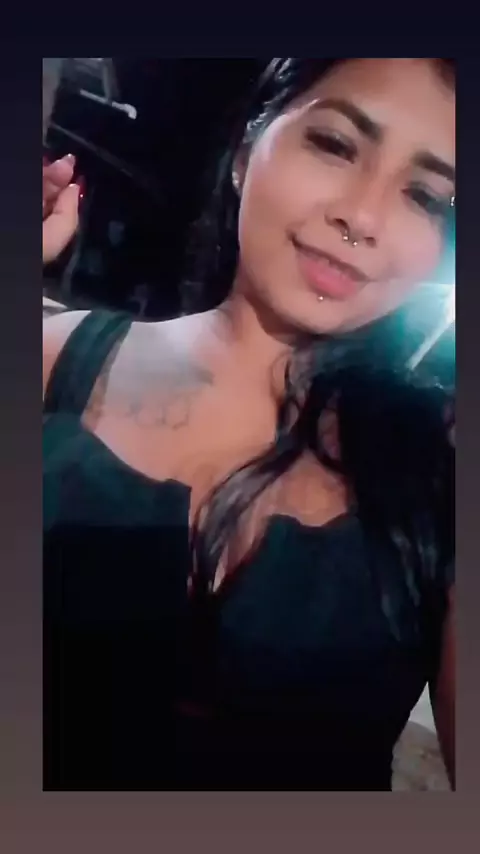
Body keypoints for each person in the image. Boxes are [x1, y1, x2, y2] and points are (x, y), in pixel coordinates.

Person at [43, 58, 455, 791]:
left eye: (424, 195)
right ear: (245, 152)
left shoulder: (441, 473)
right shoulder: (47, 359)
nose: (361, 216)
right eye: (335, 144)